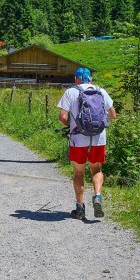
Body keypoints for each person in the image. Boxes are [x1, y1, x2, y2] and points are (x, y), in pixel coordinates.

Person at [57, 67, 117, 219]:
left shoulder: (71, 92)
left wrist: (73, 125)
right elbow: (113, 115)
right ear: (90, 79)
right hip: (98, 138)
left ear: (76, 79)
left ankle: (80, 208)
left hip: (78, 139)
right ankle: (97, 196)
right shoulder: (101, 91)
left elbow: (62, 117)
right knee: (96, 169)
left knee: (78, 173)